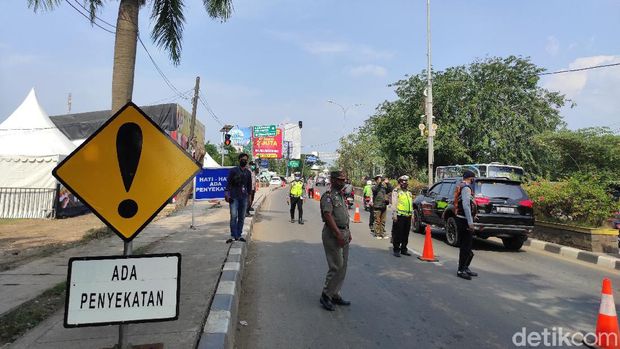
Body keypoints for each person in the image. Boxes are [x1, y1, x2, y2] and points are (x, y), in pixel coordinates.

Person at [319, 170, 352, 311]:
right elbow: (328, 215)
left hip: (343, 232)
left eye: (344, 179)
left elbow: (344, 215)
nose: (342, 182)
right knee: (336, 265)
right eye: (339, 179)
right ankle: (326, 295)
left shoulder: (341, 195)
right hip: (333, 234)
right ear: (332, 180)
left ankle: (335, 294)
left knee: (343, 266)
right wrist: (338, 233)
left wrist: (347, 232)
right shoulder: (328, 196)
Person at [454, 170, 478, 280]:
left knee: (468, 246)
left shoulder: (461, 185)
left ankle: (465, 267)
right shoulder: (466, 188)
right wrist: (470, 222)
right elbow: (466, 205)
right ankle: (461, 270)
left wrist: (473, 215)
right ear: (470, 178)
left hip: (462, 219)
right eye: (473, 178)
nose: (474, 180)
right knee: (465, 247)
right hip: (464, 221)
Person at [224, 153, 253, 243]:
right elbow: (228, 183)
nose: (244, 161)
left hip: (244, 197)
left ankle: (239, 235)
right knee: (233, 216)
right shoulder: (233, 170)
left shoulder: (248, 173)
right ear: (239, 160)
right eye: (243, 159)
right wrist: (226, 194)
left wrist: (250, 198)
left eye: (246, 159)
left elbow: (249, 186)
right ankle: (233, 235)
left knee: (241, 217)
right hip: (234, 197)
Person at [391, 175, 413, 257]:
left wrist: (412, 214)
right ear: (400, 182)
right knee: (398, 233)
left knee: (406, 233)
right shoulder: (396, 191)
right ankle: (396, 249)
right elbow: (394, 203)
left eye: (406, 181)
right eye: (403, 181)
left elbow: (410, 204)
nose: (405, 183)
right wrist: (394, 214)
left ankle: (404, 249)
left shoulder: (408, 192)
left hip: (408, 215)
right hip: (400, 215)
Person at [372, 175, 394, 239]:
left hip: (384, 205)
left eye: (381, 179)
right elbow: (375, 189)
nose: (381, 180)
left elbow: (391, 189)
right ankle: (377, 234)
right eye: (379, 179)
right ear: (376, 180)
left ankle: (382, 233)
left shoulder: (384, 187)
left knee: (383, 221)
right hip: (377, 205)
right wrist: (379, 183)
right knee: (377, 220)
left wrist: (388, 183)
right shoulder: (374, 187)